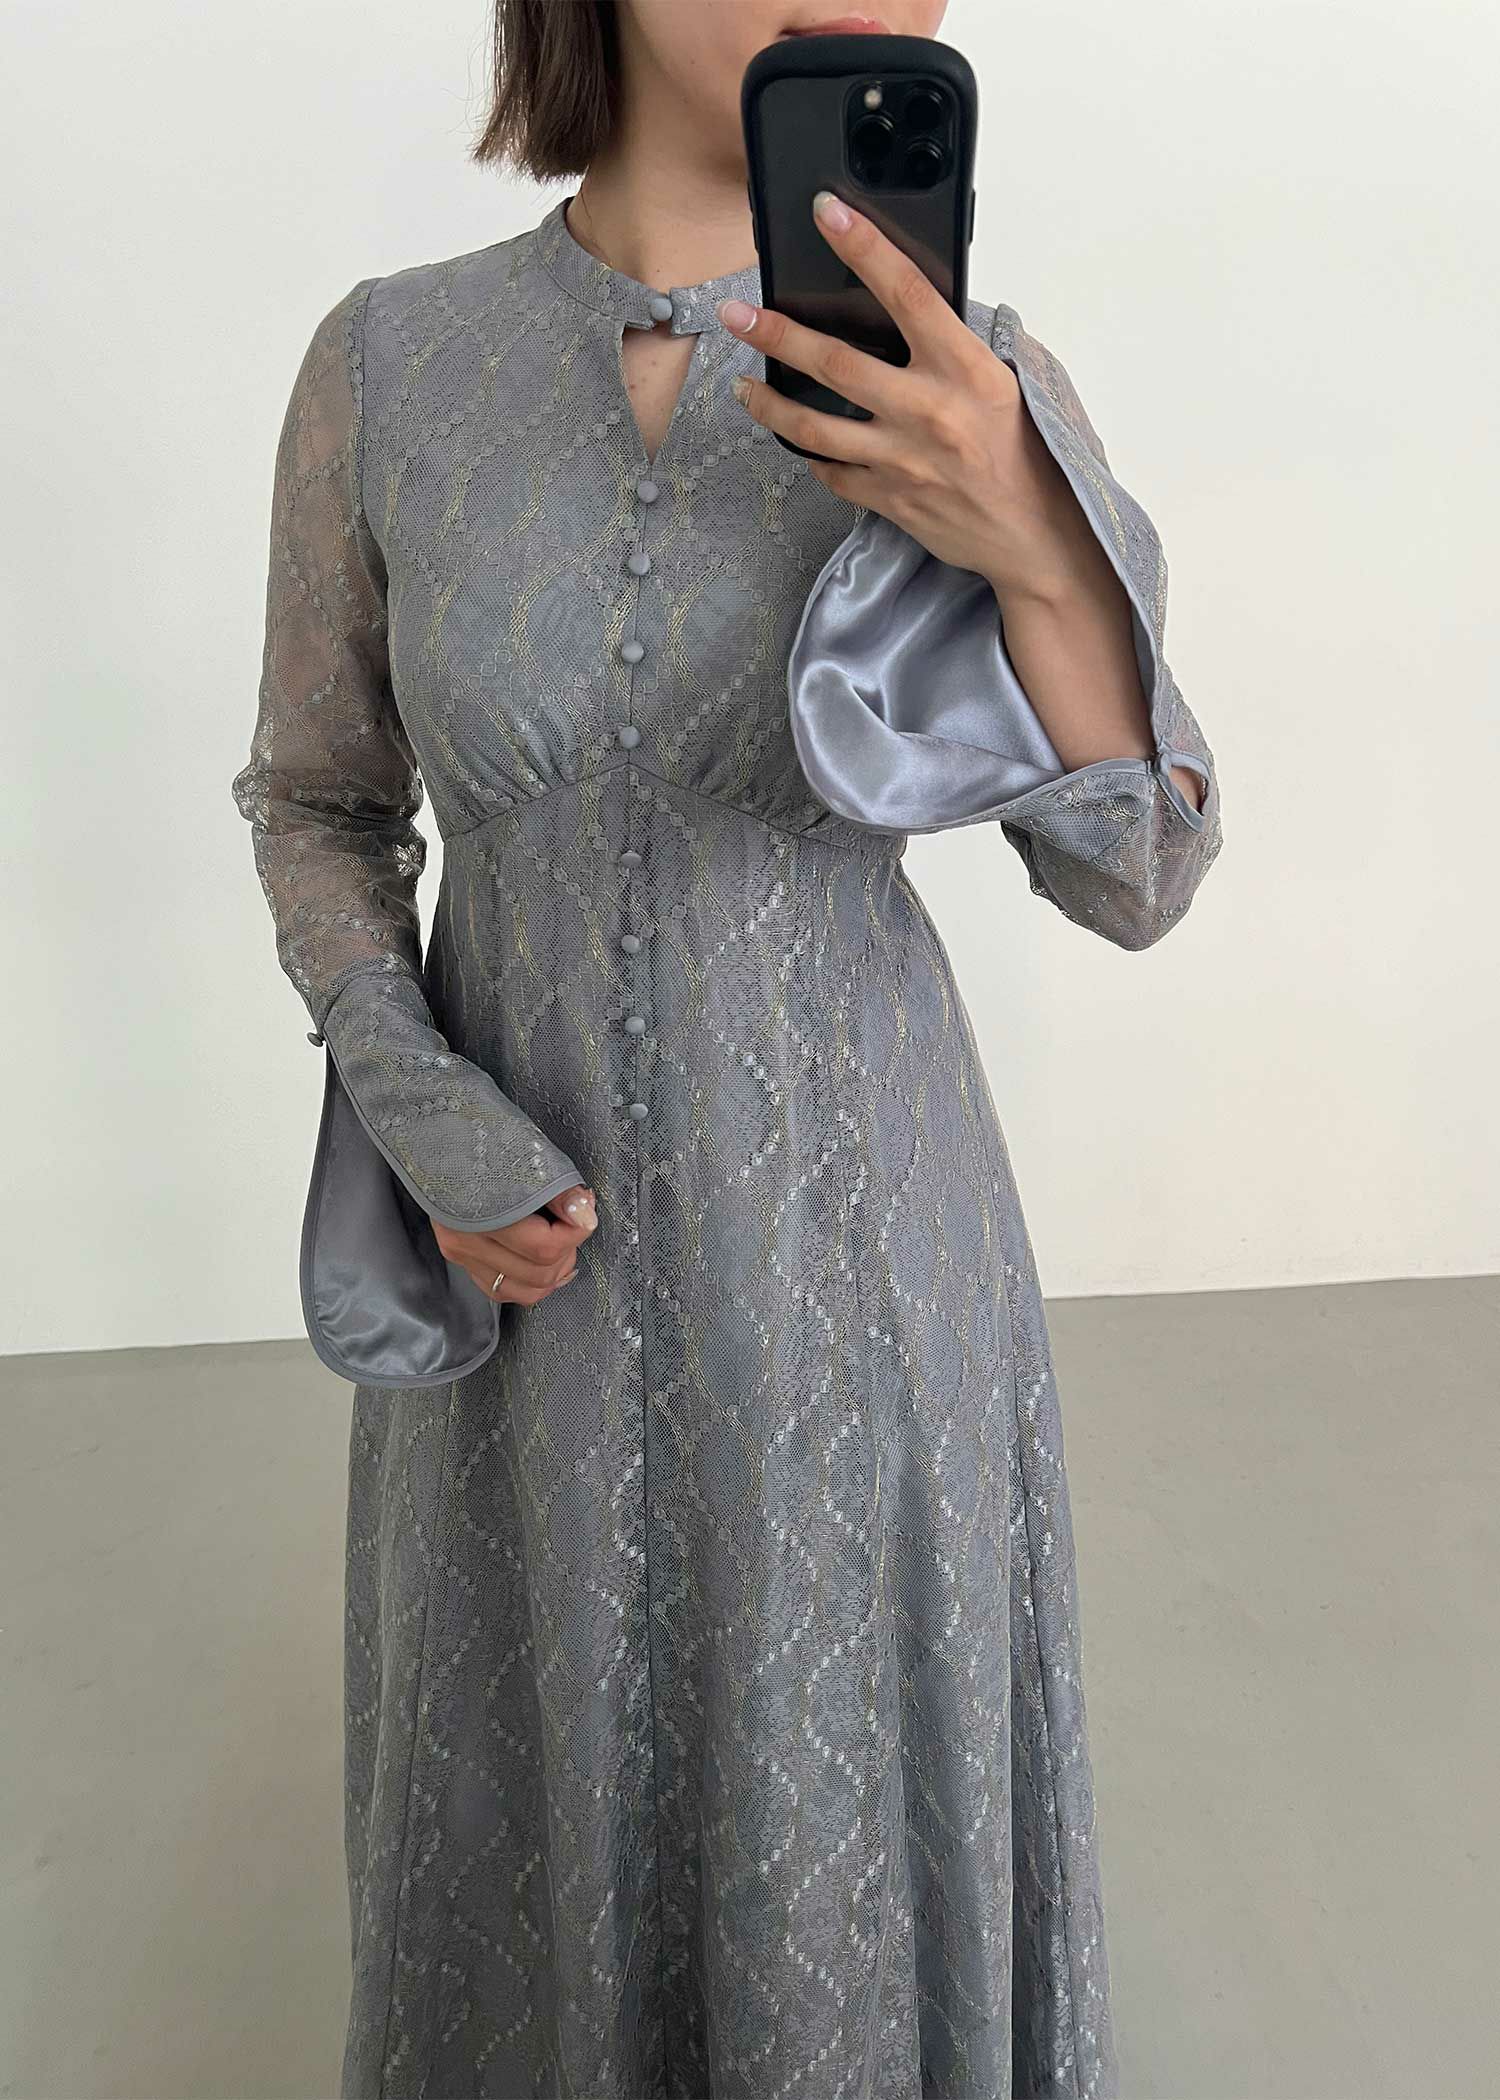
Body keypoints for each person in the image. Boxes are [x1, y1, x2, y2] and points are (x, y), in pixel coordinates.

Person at [231, 3, 1221, 2095]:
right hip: (530, 1323)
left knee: (836, 1852)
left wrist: (1033, 540)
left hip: (865, 1298)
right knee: (529, 1835)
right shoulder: (395, 362)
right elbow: (319, 799)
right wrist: (415, 1108)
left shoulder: (975, 387)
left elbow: (1138, 873)